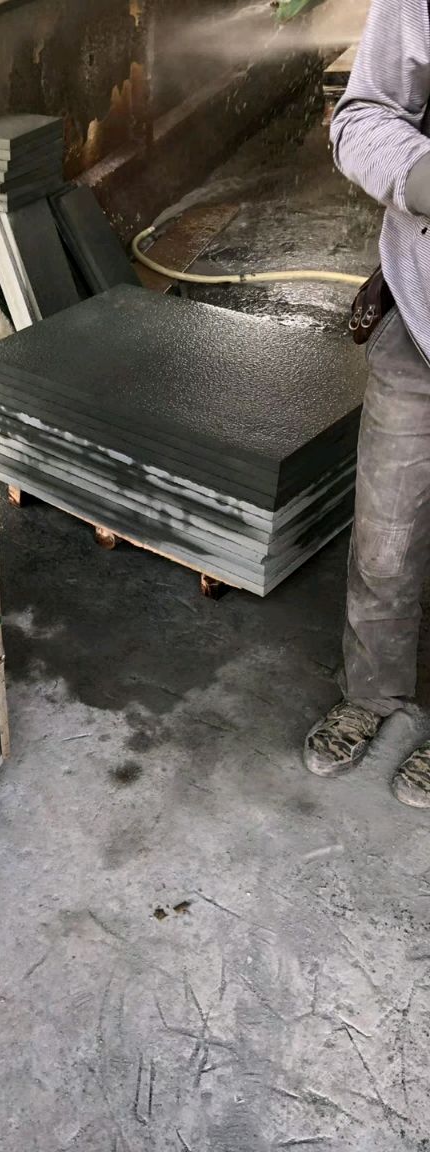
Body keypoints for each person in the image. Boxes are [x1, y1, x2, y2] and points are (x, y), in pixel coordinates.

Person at [304, 0, 430, 806]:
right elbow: (362, 115)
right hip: (420, 318)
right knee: (386, 537)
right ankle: (372, 692)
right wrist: (420, 176)